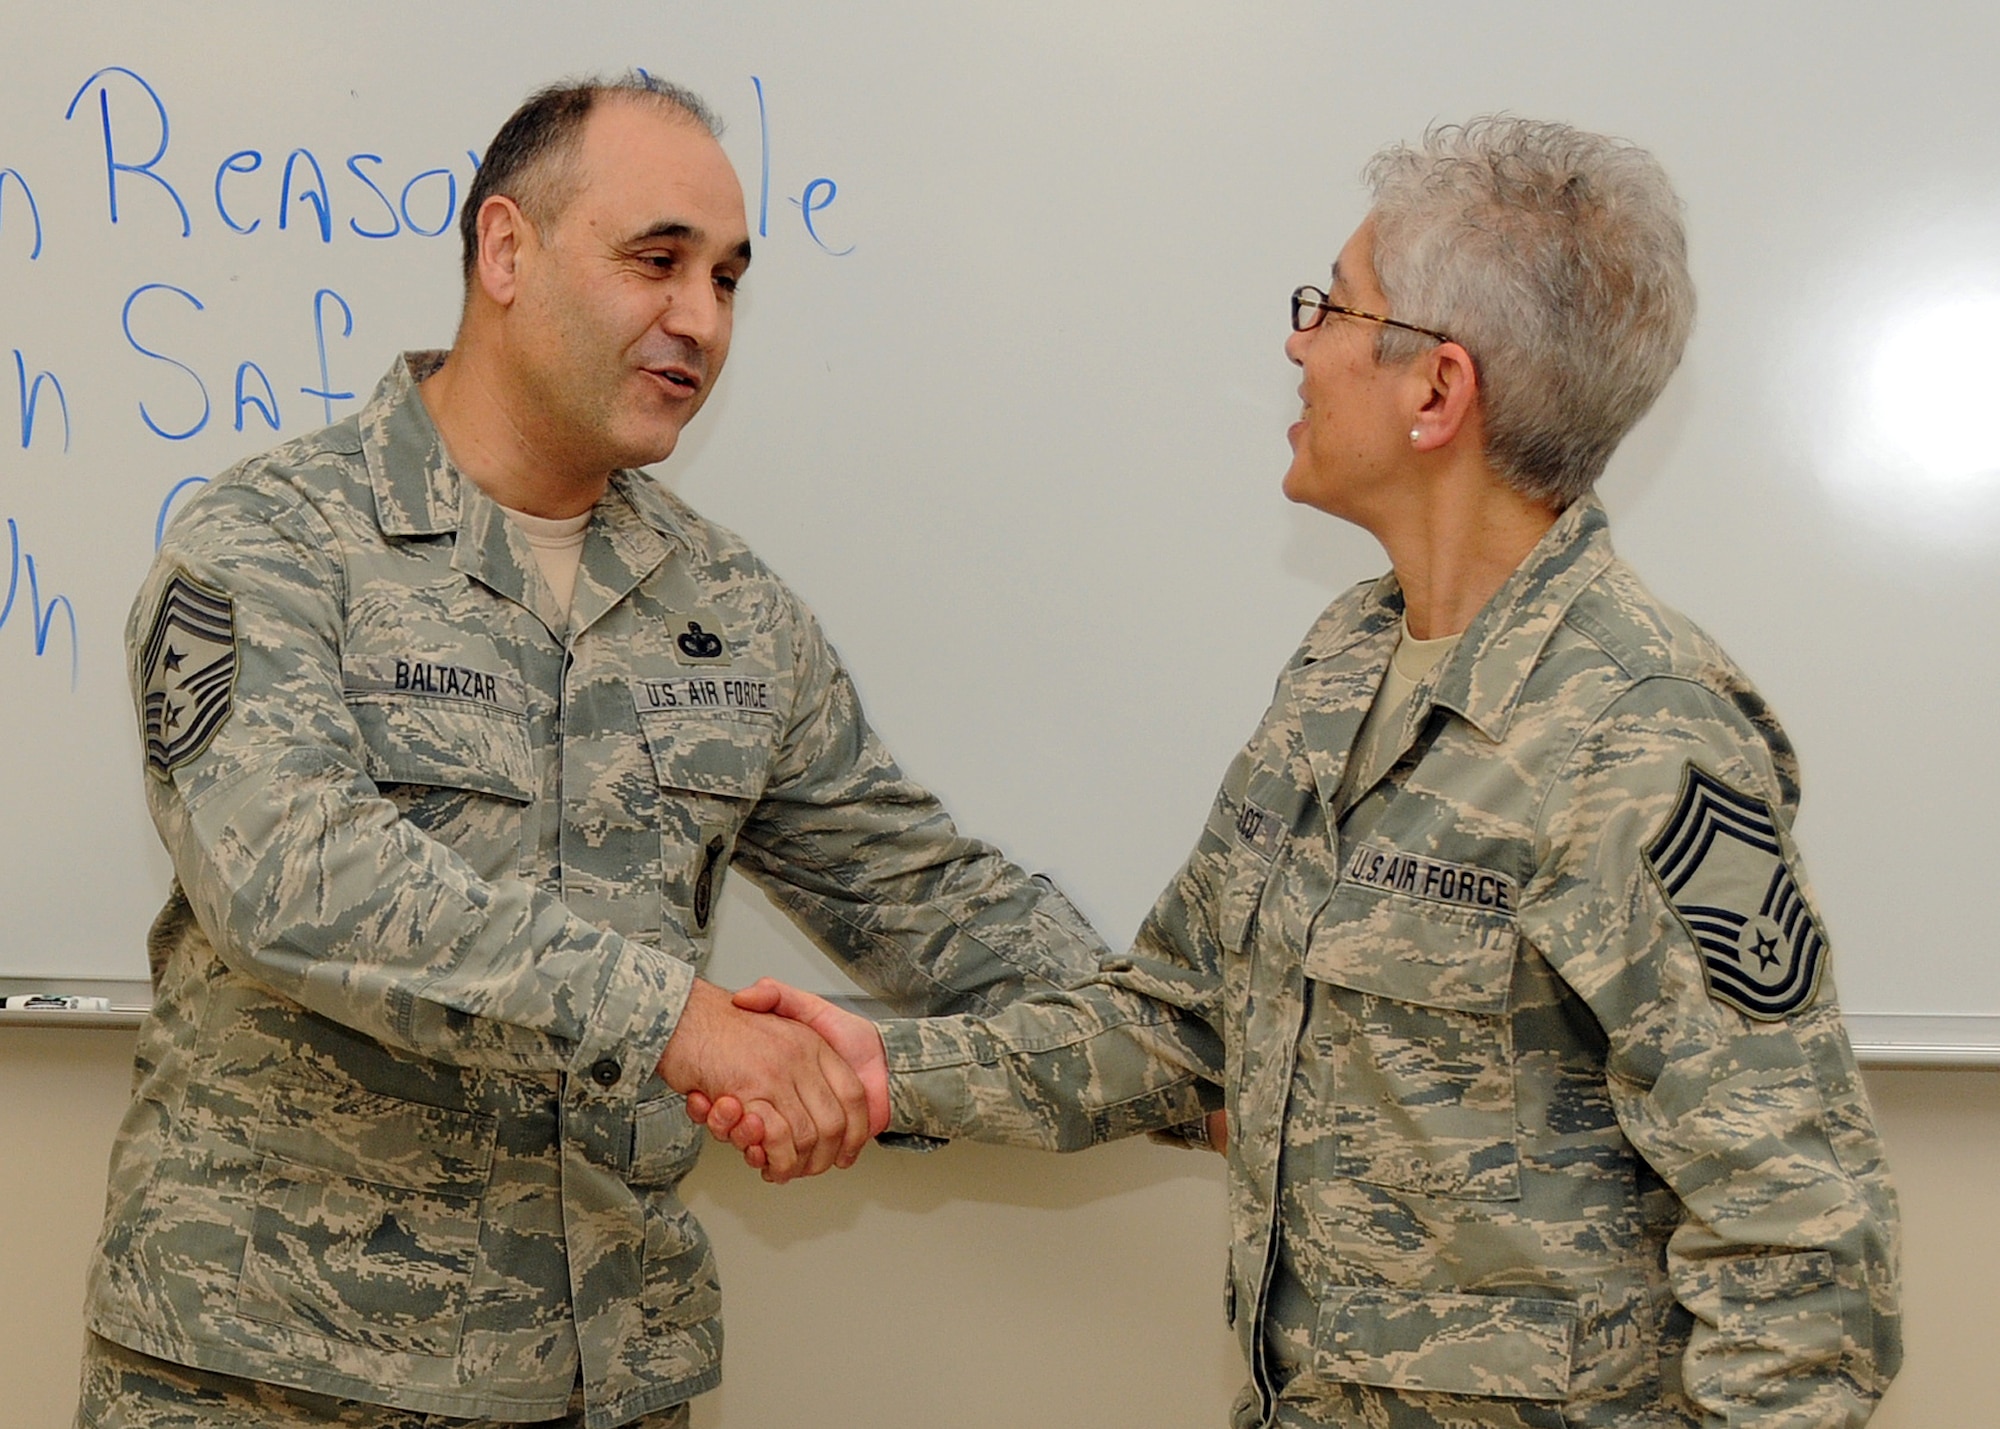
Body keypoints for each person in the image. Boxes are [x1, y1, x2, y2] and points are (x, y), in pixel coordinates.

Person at [707, 118, 1904, 1427]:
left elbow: (1805, 1267)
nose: (1297, 340)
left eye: (1330, 306)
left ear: (1437, 391)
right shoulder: (1345, 660)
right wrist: (895, 1071)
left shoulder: (1644, 738)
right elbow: (1178, 1016)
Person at [79, 74, 1115, 1429]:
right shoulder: (274, 541)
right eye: (658, 260)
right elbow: (291, 876)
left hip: (603, 1380)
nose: (701, 318)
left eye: (730, 278)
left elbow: (926, 894)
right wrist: (678, 1023)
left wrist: (1187, 1050)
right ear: (506, 250)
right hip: (273, 1376)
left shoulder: (727, 611)